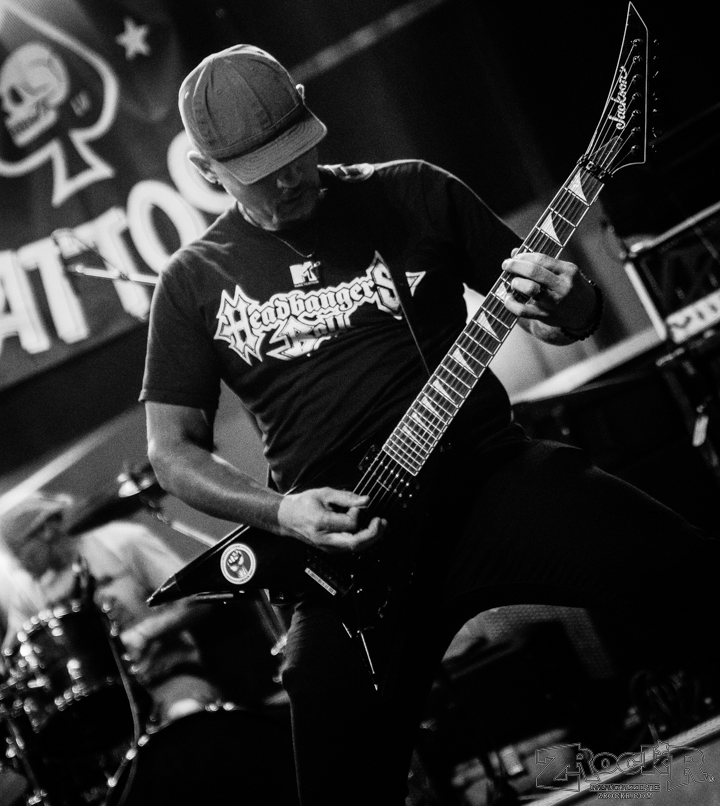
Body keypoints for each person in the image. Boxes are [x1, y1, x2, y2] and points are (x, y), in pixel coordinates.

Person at [140, 44, 718, 805]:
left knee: (687, 571)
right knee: (339, 779)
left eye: (296, 151)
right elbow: (172, 453)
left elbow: (556, 315)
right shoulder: (192, 279)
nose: (289, 177)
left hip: (489, 480)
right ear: (208, 171)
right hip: (349, 553)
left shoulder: (411, 191)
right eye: (260, 171)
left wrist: (572, 297)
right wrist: (283, 512)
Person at [0, 494, 219, 727]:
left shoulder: (124, 540)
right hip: (102, 705)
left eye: (18, 550)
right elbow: (12, 654)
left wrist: (143, 634)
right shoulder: (27, 591)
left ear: (45, 531)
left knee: (184, 718)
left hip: (167, 675)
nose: (18, 565)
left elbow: (197, 597)